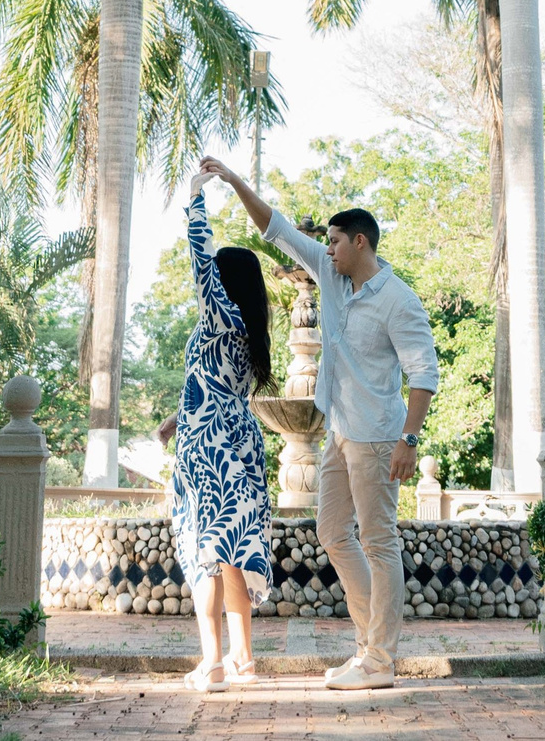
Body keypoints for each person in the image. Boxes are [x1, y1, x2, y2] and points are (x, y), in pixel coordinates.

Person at [196, 154, 438, 692]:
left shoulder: (399, 302)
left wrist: (409, 440)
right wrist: (235, 181)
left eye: (334, 241)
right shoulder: (331, 276)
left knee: (379, 542)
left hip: (378, 435)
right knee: (332, 532)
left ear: (360, 242)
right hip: (339, 431)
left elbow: (424, 374)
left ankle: (380, 660)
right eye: (325, 243)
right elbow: (275, 228)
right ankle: (367, 646)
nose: (326, 249)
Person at [156, 169, 277, 692]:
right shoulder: (252, 329)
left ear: (223, 285)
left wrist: (194, 198)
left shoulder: (218, 312)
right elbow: (218, 386)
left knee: (204, 549)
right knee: (230, 549)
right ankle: (244, 659)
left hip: (207, 444)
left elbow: (199, 257)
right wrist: (177, 416)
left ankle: (213, 663)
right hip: (240, 439)